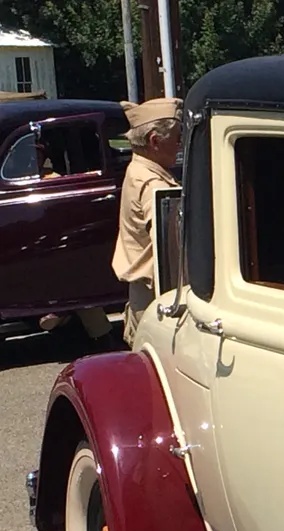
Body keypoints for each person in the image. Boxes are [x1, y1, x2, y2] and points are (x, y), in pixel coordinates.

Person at [111, 96, 183, 346]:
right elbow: (171, 250)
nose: (180, 145)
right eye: (177, 138)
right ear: (154, 141)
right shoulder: (152, 184)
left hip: (144, 293)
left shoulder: (138, 170)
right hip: (157, 296)